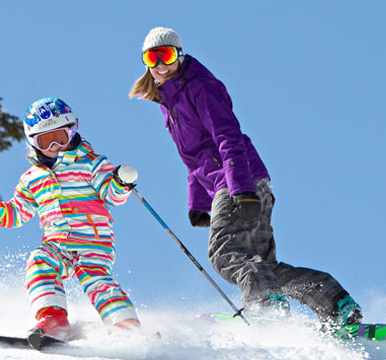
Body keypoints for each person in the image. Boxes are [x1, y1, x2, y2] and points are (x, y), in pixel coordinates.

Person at [129, 27, 363, 330]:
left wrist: (242, 190)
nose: (161, 64)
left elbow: (228, 138)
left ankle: (266, 307)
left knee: (225, 252)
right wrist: (199, 204)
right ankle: (336, 303)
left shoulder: (200, 88)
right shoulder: (170, 102)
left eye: (167, 55)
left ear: (180, 55)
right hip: (241, 182)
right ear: (146, 61)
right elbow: (195, 159)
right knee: (264, 266)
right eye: (153, 57)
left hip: (239, 180)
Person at [0, 97, 141, 339]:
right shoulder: (32, 178)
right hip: (56, 242)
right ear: (33, 143)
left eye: (61, 137)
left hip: (93, 241)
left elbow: (112, 195)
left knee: (96, 279)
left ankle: (126, 327)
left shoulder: (92, 164)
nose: (56, 145)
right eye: (46, 140)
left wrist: (121, 183)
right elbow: (18, 211)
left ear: (73, 131)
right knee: (39, 262)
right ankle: (53, 319)